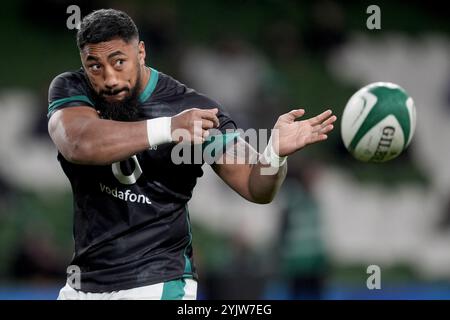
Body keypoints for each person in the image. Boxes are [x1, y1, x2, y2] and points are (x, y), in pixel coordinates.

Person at [47, 9, 336, 300]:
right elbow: (78, 144)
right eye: (94, 66)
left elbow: (254, 186)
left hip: (156, 284)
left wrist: (274, 152)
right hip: (82, 286)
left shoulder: (195, 109)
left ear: (141, 52)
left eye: (119, 62)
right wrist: (169, 128)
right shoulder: (73, 89)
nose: (109, 78)